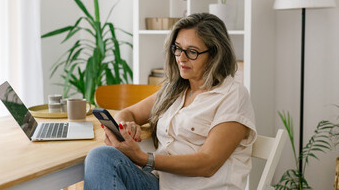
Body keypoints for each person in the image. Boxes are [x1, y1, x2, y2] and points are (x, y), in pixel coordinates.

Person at [84, 12, 257, 190]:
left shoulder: (233, 96)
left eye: (192, 52)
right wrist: (126, 125)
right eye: (178, 48)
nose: (181, 58)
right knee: (101, 157)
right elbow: (129, 113)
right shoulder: (175, 90)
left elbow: (208, 164)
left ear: (215, 55)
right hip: (161, 185)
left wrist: (143, 158)